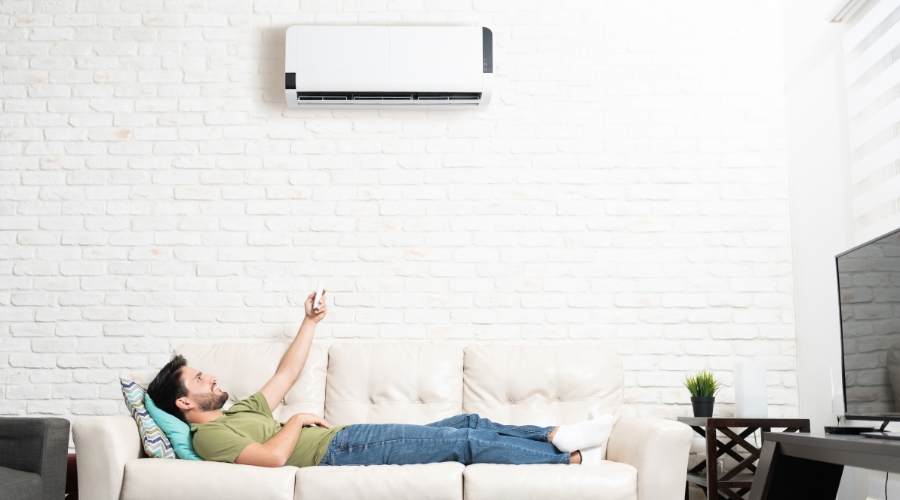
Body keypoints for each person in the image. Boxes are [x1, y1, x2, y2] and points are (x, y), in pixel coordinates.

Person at [146, 289, 613, 468]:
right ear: (184, 404)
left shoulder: (241, 409)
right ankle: (570, 462)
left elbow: (287, 372)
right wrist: (297, 421)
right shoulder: (209, 440)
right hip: (339, 450)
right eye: (199, 379)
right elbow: (270, 459)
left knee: (468, 422)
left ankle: (555, 434)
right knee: (462, 445)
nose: (211, 379)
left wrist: (309, 322)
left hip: (348, 438)